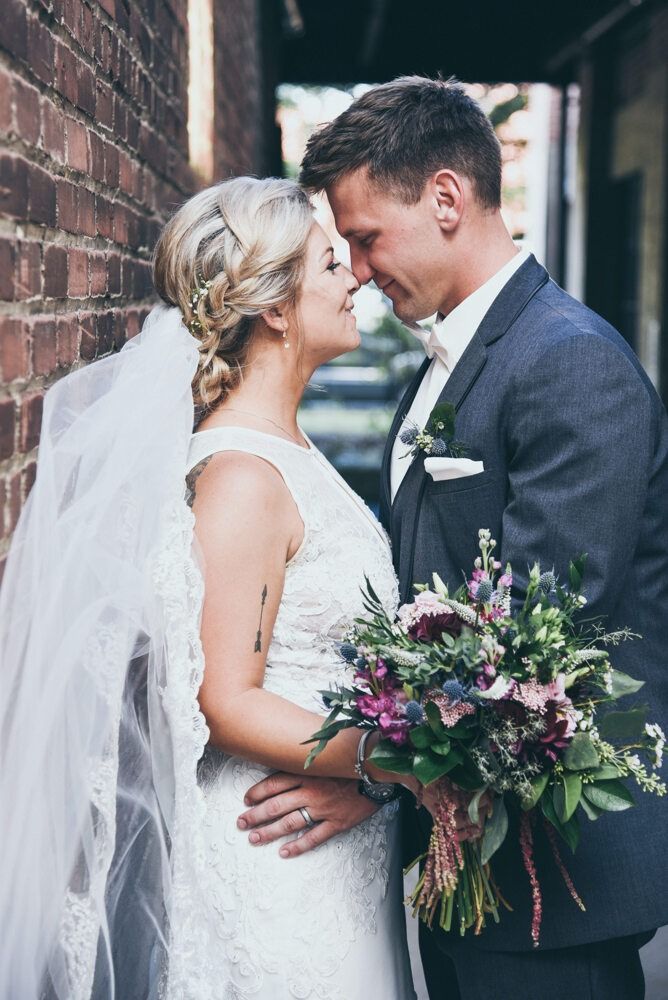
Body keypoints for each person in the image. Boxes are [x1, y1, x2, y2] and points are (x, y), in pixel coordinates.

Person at [239, 78, 668, 1000]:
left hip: (555, 877)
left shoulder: (570, 364)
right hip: (463, 863)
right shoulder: (451, 361)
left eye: (363, 237)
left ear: (445, 197)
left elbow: (531, 641)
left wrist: (379, 778)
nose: (354, 267)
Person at [0, 176, 432, 999]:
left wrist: (380, 781)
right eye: (330, 262)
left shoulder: (286, 447)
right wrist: (410, 763)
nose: (356, 278)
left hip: (331, 849)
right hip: (279, 864)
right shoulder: (240, 475)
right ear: (273, 306)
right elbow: (225, 699)